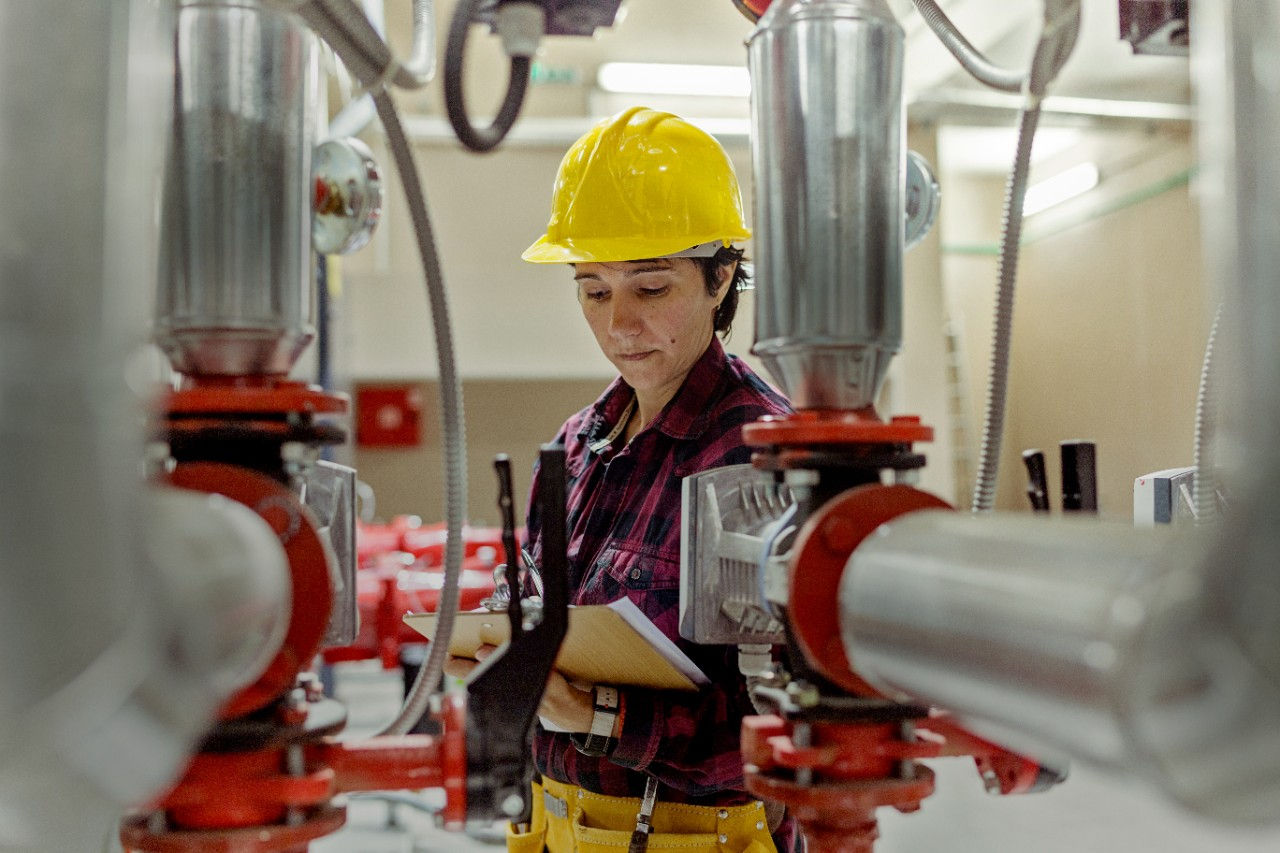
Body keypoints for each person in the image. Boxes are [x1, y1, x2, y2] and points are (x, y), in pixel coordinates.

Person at [448, 106, 797, 853]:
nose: (618, 326)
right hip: (553, 828)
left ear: (721, 275)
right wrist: (494, 643)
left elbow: (793, 728)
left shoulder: (761, 454)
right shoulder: (578, 441)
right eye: (594, 290)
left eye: (650, 288)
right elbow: (532, 596)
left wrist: (600, 715)